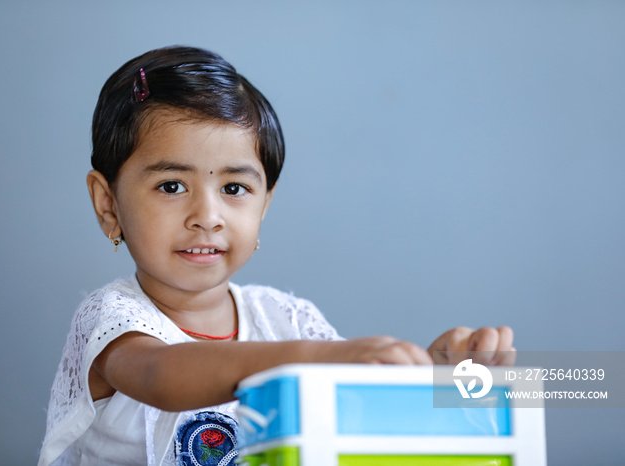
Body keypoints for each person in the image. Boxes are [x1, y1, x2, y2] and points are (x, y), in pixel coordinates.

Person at [38, 45, 515, 466]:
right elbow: (160, 376)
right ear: (108, 205)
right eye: (171, 185)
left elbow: (350, 410)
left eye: (234, 188)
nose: (208, 215)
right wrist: (322, 358)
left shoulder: (285, 318)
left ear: (263, 204)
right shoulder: (112, 318)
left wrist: (422, 377)